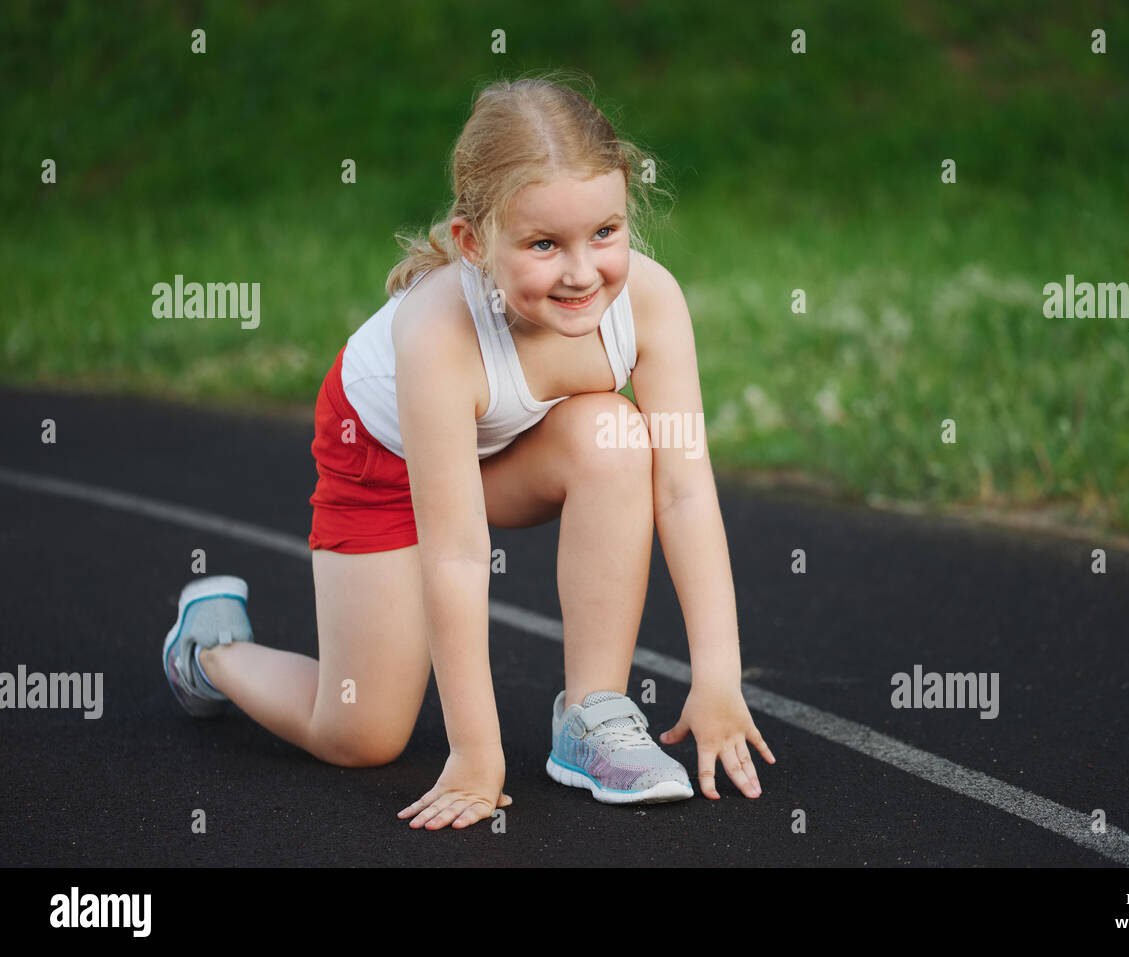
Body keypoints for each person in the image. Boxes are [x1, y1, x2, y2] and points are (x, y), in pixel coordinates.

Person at [161, 73, 775, 831]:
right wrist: (476, 750)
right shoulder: (437, 334)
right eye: (545, 244)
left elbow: (684, 488)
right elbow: (454, 552)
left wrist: (717, 676)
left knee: (616, 437)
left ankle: (593, 717)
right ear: (472, 242)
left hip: (505, 448)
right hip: (383, 465)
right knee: (362, 736)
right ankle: (211, 647)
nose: (583, 272)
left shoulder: (651, 303)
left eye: (606, 233)